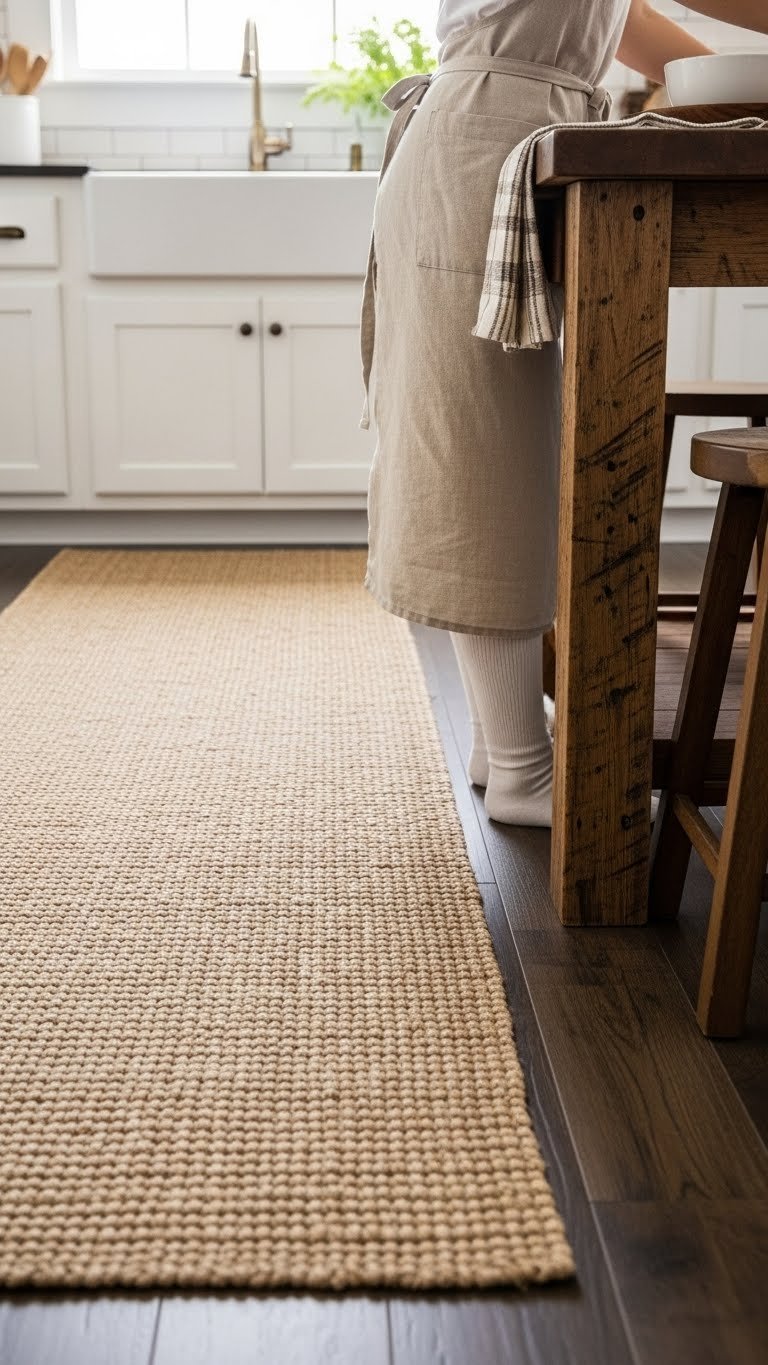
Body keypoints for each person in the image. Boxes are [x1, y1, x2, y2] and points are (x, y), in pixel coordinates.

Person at [361, 0, 768, 827]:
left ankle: (498, 740)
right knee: (482, 464)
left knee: (504, 454)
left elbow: (629, 21)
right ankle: (520, 767)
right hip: (479, 147)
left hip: (507, 138)